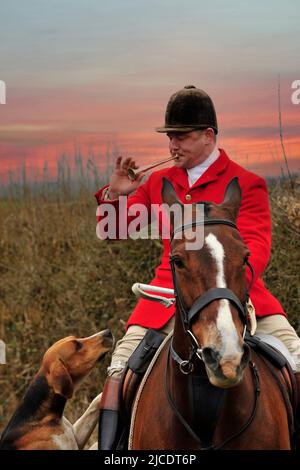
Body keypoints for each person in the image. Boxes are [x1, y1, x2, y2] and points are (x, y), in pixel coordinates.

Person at [95, 85, 300, 449]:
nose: (173, 146)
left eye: (182, 137)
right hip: (163, 300)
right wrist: (116, 195)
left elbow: (255, 251)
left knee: (296, 363)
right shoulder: (158, 182)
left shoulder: (247, 183)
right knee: (119, 373)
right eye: (170, 137)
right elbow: (112, 231)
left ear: (209, 136)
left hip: (240, 297)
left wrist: (220, 300)